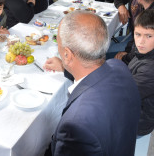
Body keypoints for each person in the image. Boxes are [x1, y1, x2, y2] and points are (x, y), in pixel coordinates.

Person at [44, 11, 140, 155]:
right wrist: (65, 67)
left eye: (59, 44)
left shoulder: (76, 126)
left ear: (67, 54)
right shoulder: (119, 67)